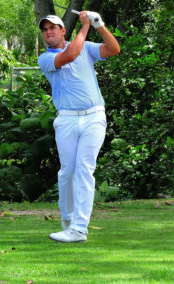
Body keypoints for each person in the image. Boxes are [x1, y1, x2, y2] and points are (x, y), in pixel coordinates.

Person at [37, 12, 120, 243]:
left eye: (53, 28)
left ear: (63, 30)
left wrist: (99, 25)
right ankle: (68, 221)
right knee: (67, 173)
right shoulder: (45, 58)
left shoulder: (86, 46)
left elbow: (114, 49)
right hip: (66, 119)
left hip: (94, 117)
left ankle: (79, 229)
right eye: (45, 30)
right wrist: (85, 26)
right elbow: (70, 55)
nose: (48, 32)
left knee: (84, 169)